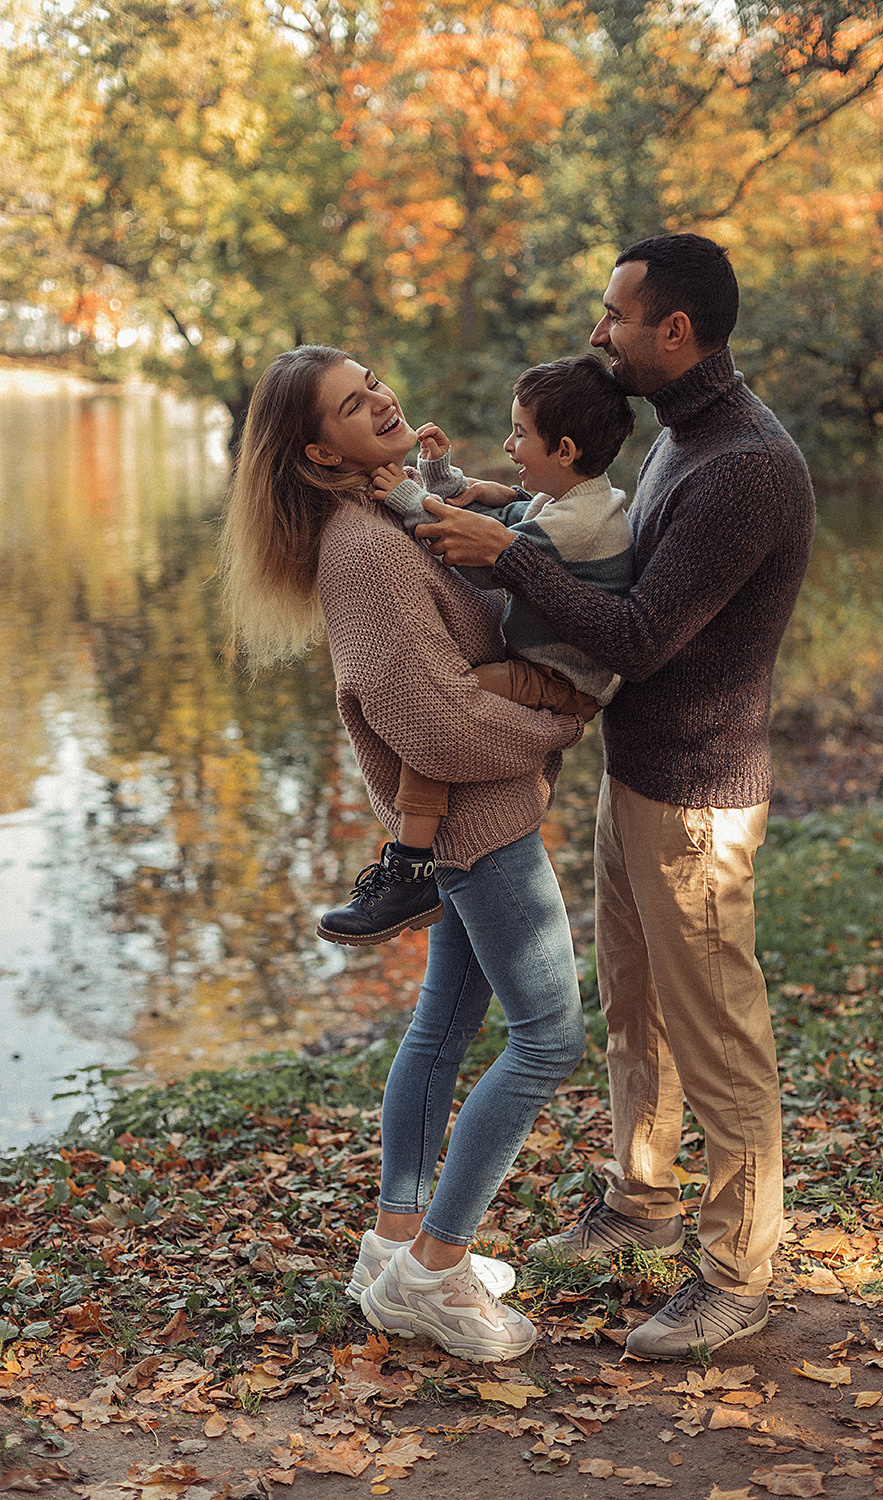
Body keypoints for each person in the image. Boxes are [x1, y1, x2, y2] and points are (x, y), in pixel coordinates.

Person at [413, 233, 816, 1359]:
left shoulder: (745, 466)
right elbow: (621, 549)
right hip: (640, 775)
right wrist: (514, 505)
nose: (598, 332)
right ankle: (640, 1203)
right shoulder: (687, 438)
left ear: (673, 331)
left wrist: (508, 557)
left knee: (718, 1034)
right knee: (637, 1011)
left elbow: (639, 633)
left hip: (697, 797)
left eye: (614, 315)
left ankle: (736, 1275)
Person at [218, 345, 588, 1362]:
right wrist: (560, 722)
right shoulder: (363, 550)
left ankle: (392, 1245)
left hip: (472, 818)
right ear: (317, 450)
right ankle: (433, 1271)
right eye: (352, 403)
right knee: (548, 1039)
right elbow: (433, 722)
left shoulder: (386, 513)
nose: (380, 399)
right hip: (479, 825)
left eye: (374, 379)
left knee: (446, 1020)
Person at [317, 352, 636, 946]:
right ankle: (411, 865)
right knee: (452, 1000)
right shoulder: (582, 500)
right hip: (546, 676)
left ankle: (410, 864)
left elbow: (487, 559)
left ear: (564, 451)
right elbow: (497, 514)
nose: (509, 446)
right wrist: (440, 479)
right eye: (355, 401)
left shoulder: (576, 524)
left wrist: (408, 501)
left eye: (519, 434)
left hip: (558, 682)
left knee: (426, 719)